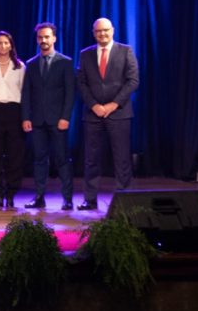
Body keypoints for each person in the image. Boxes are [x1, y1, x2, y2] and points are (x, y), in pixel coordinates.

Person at [76, 17, 140, 210]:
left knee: (121, 159)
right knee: (91, 159)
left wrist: (113, 104)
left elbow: (133, 81)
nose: (102, 34)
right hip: (93, 114)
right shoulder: (85, 54)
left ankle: (125, 200)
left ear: (113, 30)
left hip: (119, 113)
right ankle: (90, 199)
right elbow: (82, 83)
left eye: (105, 30)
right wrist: (94, 104)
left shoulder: (125, 51)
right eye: (98, 31)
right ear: (93, 33)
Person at [20, 22, 75, 211]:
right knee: (39, 160)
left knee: (62, 159)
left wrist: (65, 117)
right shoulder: (31, 64)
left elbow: (70, 93)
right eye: (40, 37)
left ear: (54, 38)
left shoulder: (65, 62)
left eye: (47, 37)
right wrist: (26, 117)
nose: (43, 40)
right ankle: (39, 197)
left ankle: (67, 199)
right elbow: (26, 93)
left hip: (58, 120)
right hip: (37, 121)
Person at [0, 31, 26, 209]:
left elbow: (25, 93)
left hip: (14, 112)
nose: (2, 46)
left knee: (14, 156)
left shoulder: (20, 67)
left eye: (6, 43)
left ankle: (11, 193)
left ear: (11, 45)